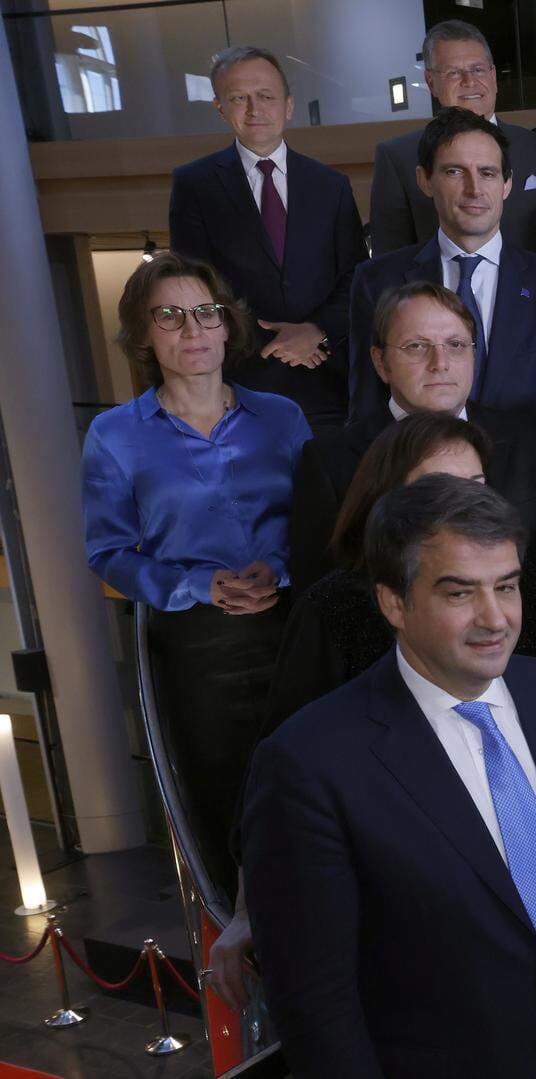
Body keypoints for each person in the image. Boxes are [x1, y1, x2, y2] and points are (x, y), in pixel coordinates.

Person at [241, 476, 536, 1078]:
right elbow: (317, 999)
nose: (495, 617)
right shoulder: (309, 762)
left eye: (507, 586)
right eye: (459, 593)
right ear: (394, 602)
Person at [82, 253, 310, 902]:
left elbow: (318, 522)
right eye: (170, 316)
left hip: (292, 629)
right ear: (143, 334)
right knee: (222, 803)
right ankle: (246, 945)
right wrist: (199, 585)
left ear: (227, 324)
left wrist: (284, 568)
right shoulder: (114, 436)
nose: (193, 330)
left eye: (206, 312)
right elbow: (109, 553)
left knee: (310, 790)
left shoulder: (282, 418)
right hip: (195, 647)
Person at [293, 282, 536, 625]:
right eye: (417, 346)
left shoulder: (527, 437)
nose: (440, 363)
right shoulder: (330, 461)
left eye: (456, 345)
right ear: (381, 362)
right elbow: (320, 605)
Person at [347, 107, 536, 478]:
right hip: (413, 491)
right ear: (425, 180)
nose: (474, 189)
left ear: (507, 184)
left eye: (488, 173)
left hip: (526, 495)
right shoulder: (377, 282)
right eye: (454, 172)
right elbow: (366, 410)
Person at [270, 413, 536, 726]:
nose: (464, 505)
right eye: (438, 489)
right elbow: (296, 744)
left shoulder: (522, 578)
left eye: (475, 487)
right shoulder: (331, 606)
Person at [168, 45, 365, 428]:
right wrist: (273, 345)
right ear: (220, 108)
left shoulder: (331, 185)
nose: (254, 110)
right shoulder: (195, 185)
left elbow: (356, 277)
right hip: (240, 386)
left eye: (266, 96)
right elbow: (194, 288)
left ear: (288, 105)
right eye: (238, 98)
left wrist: (316, 332)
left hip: (328, 381)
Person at [369, 21, 536, 262]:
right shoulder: (397, 157)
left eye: (477, 70)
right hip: (436, 296)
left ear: (494, 76)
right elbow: (389, 263)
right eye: (453, 72)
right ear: (431, 82)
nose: (469, 81)